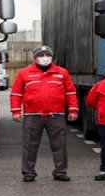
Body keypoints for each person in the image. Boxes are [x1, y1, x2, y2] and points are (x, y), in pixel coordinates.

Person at [11, 45, 79, 182]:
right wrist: (16, 111)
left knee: (59, 144)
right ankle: (28, 172)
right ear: (35, 58)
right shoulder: (25, 73)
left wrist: (73, 109)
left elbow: (70, 93)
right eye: (41, 55)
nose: (45, 58)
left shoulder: (62, 73)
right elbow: (16, 93)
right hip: (32, 115)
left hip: (56, 114)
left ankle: (60, 171)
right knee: (29, 145)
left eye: (47, 55)